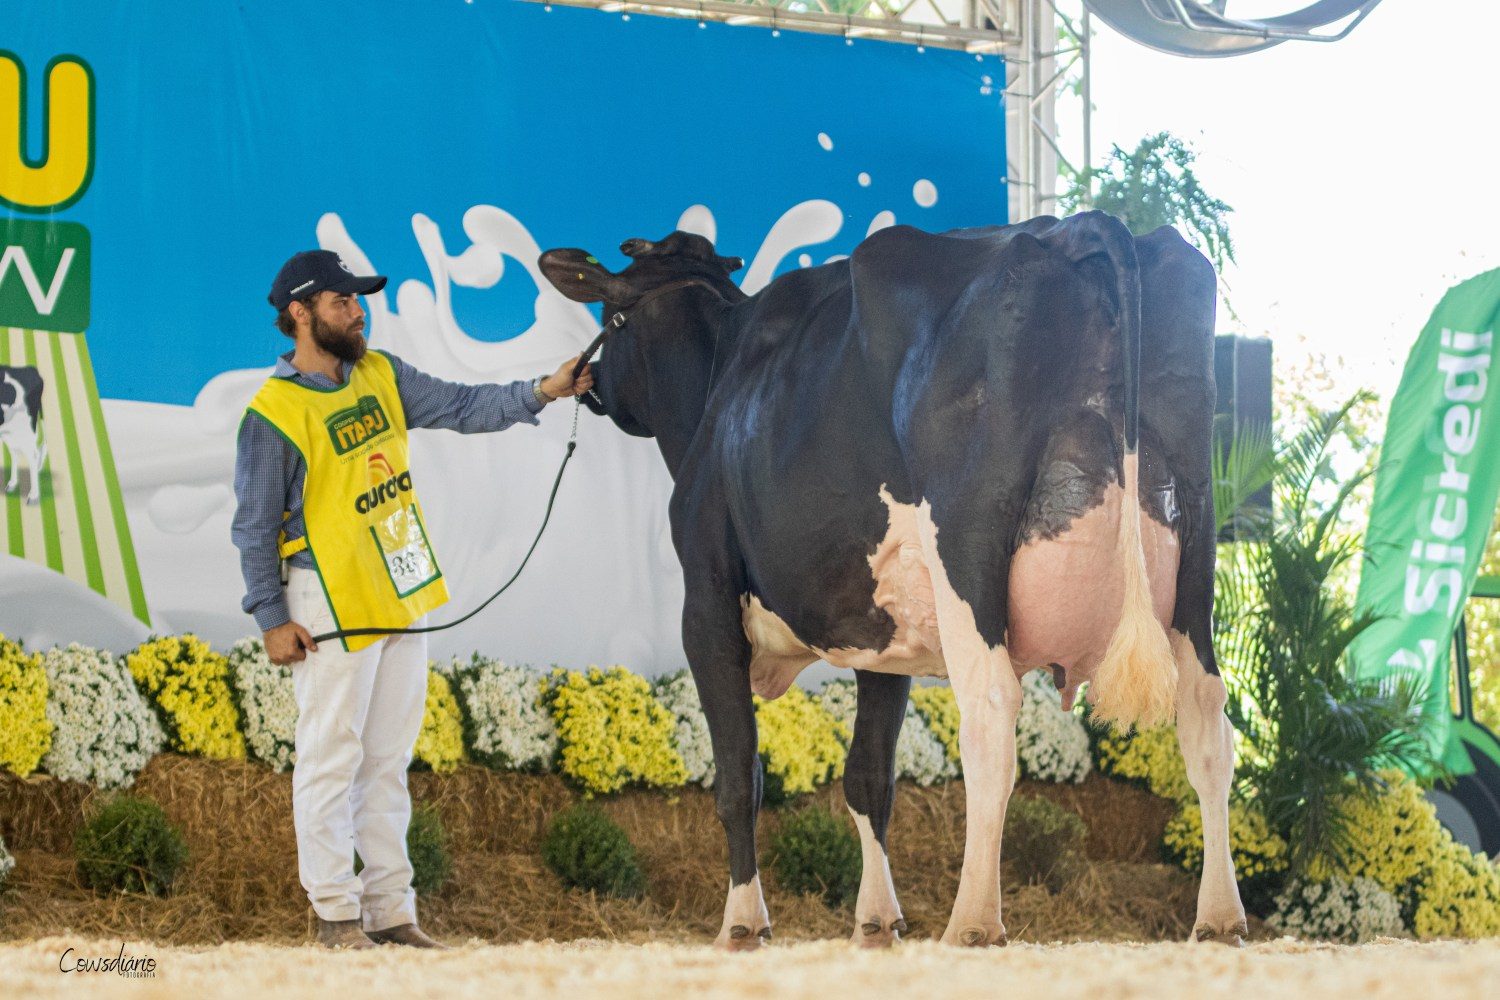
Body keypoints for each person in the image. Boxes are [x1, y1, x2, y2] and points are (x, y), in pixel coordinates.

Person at [231, 249, 592, 949]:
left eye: (357, 299)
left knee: (387, 759)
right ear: (299, 315)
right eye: (341, 302)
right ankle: (336, 913)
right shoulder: (272, 412)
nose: (357, 311)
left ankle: (392, 912)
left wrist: (544, 390)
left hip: (402, 581)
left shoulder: (381, 372)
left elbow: (463, 406)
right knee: (331, 755)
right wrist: (271, 618)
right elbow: (252, 525)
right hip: (330, 596)